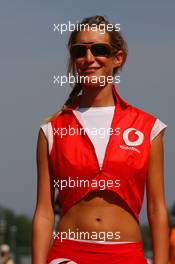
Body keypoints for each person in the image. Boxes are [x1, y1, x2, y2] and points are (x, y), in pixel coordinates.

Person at [32, 15, 169, 264]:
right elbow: (44, 212)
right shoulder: (51, 130)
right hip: (68, 254)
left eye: (99, 49)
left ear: (118, 58)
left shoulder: (149, 128)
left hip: (126, 255)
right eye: (79, 51)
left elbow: (157, 209)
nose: (89, 58)